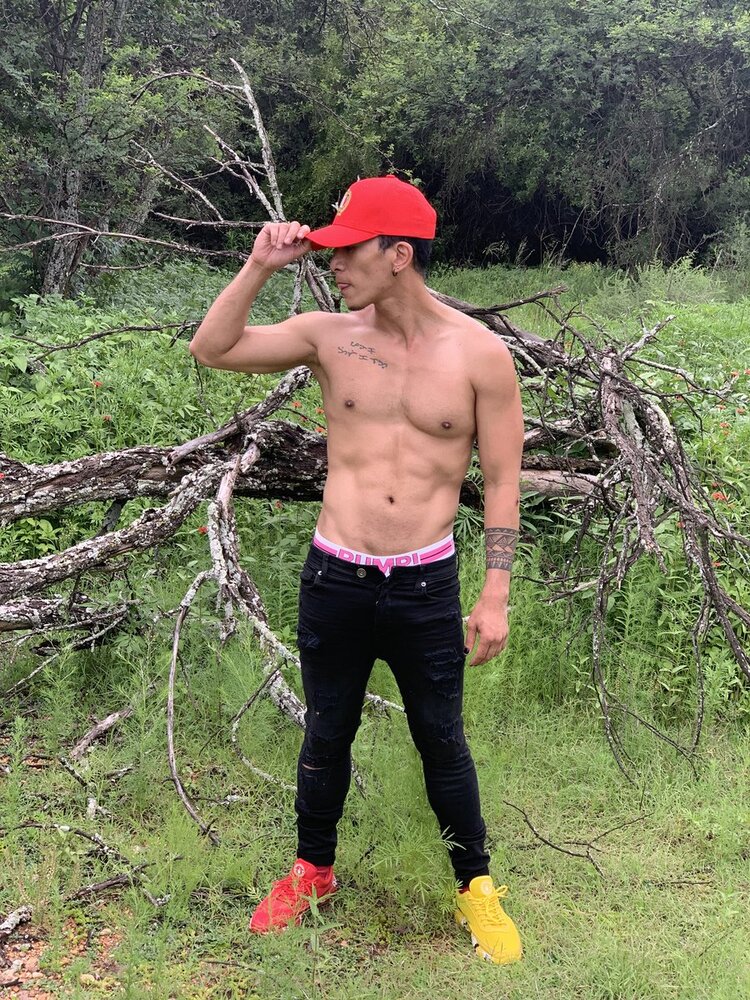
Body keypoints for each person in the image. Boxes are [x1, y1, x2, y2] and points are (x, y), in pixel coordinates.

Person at [189, 175, 524, 965]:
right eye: (329, 251)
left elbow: (504, 479)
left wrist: (495, 593)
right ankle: (313, 871)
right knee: (326, 731)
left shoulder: (479, 354)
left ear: (398, 254)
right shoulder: (327, 336)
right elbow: (213, 348)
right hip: (335, 576)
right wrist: (259, 265)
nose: (334, 265)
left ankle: (475, 887)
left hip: (425, 584)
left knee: (442, 738)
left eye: (348, 251)